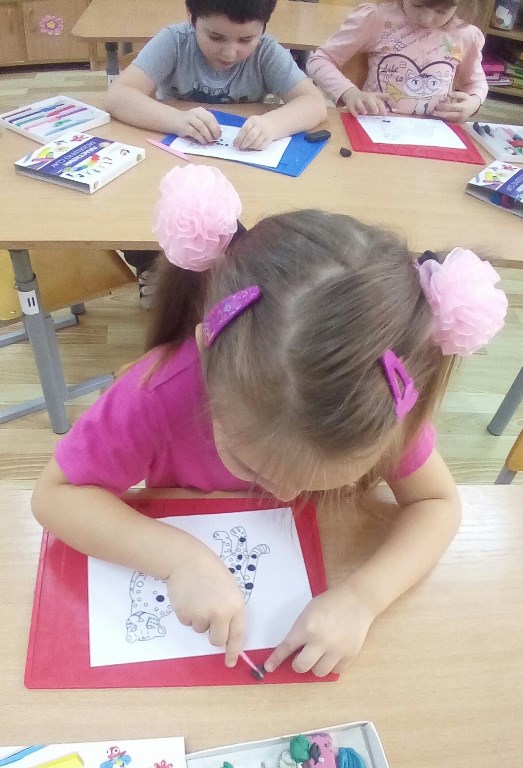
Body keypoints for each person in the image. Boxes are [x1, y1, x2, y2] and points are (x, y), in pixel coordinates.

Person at [32, 165, 507, 678]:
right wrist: (178, 559)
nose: (283, 496)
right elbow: (55, 496)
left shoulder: (375, 402)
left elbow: (437, 503)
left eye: (314, 482)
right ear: (206, 354)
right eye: (253, 466)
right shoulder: (157, 394)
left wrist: (363, 598)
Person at [109, 0, 326, 304]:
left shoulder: (267, 52)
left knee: (250, 228)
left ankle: (226, 278)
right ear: (192, 17)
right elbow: (118, 96)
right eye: (216, 37)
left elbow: (313, 103)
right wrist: (177, 120)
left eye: (245, 40)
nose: (229, 53)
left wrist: (272, 124)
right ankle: (152, 268)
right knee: (143, 210)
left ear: (264, 28)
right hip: (176, 167)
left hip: (239, 173)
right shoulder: (174, 42)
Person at [307, 0, 488, 121]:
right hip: (375, 127)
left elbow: (476, 82)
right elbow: (319, 60)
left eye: (442, 11)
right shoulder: (376, 19)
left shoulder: (465, 35)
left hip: (435, 135)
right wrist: (350, 93)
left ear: (460, 0)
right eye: (417, 5)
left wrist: (474, 102)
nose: (427, 19)